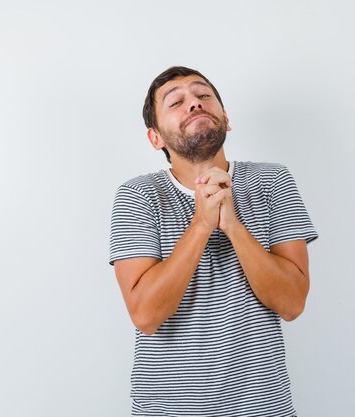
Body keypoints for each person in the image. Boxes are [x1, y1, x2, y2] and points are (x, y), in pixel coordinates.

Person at [109, 66, 318, 417]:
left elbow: (292, 303)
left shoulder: (272, 181)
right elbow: (145, 315)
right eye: (176, 101)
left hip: (263, 408)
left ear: (226, 118)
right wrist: (202, 223)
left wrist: (233, 226)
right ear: (155, 138)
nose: (195, 103)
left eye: (204, 95)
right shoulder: (138, 195)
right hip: (168, 409)